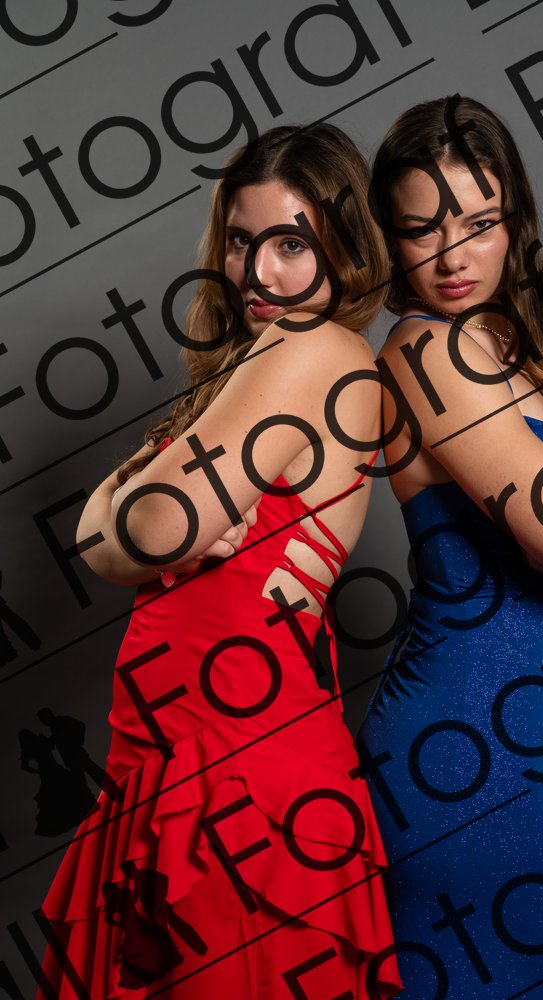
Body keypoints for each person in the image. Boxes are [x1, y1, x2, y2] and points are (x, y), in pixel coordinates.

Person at [37, 123, 402, 999]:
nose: (257, 273)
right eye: (241, 242)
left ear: (346, 250)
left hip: (235, 776)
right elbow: (103, 539)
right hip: (180, 763)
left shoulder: (310, 347)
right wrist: (123, 511)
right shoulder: (252, 367)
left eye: (291, 245)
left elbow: (153, 531)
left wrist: (132, 509)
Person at [357, 95, 543, 999]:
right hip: (470, 764)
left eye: (480, 223)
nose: (454, 257)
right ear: (389, 239)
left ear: (516, 220)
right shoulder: (427, 354)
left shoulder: (511, 343)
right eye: (422, 230)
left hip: (541, 748)